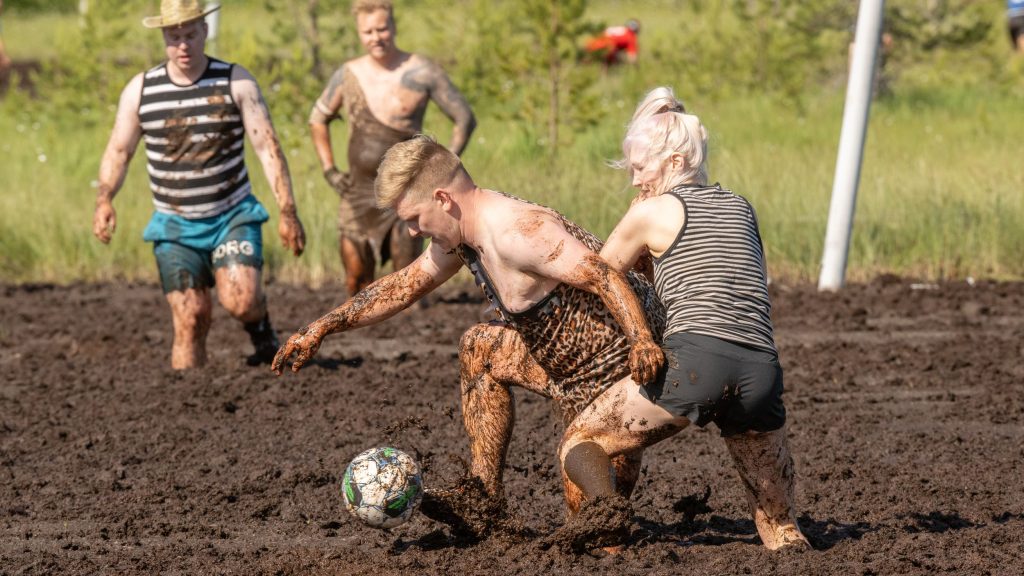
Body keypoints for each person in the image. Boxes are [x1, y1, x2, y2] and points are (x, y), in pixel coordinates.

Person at [272, 135, 666, 545]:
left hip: (614, 377)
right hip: (561, 365)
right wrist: (322, 327)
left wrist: (642, 341)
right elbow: (403, 286)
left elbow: (604, 275)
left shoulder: (518, 232)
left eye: (414, 218)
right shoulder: (461, 235)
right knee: (481, 347)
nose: (412, 231)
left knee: (595, 531)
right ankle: (483, 500)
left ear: (443, 199)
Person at [555, 87, 810, 551]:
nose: (635, 181)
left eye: (640, 168)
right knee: (780, 526)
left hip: (696, 363)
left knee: (580, 441)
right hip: (761, 369)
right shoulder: (741, 206)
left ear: (674, 161)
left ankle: (609, 524)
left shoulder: (651, 211)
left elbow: (601, 277)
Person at [92, 0, 306, 370]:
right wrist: (105, 198)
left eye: (190, 34)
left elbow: (267, 148)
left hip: (231, 214)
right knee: (191, 317)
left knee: (241, 300)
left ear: (204, 30)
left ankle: (260, 329)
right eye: (174, 37)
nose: (183, 45)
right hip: (174, 224)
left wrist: (288, 210)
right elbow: (119, 150)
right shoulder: (141, 90)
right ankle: (188, 396)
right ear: (163, 36)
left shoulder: (235, 81)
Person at [309, 0, 476, 297]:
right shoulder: (348, 74)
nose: (376, 37)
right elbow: (317, 119)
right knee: (356, 280)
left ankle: (411, 326)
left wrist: (442, 171)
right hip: (358, 191)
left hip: (406, 192)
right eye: (368, 32)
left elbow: (464, 118)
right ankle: (361, 325)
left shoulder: (421, 71)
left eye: (382, 29)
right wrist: (329, 170)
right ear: (359, 33)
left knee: (407, 285)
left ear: (394, 26)